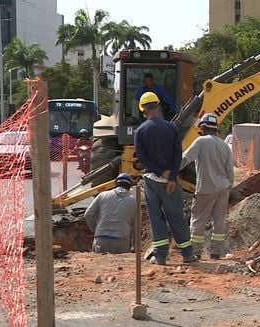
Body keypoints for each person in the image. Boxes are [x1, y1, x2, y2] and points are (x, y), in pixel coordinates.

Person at [134, 91, 196, 265]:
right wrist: (172, 176)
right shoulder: (172, 128)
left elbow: (142, 156)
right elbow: (178, 154)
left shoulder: (140, 131)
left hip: (152, 180)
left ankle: (160, 256)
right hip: (171, 182)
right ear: (158, 106)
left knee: (155, 217)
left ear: (143, 110)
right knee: (176, 216)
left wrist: (160, 172)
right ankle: (188, 254)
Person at [180, 113, 234, 260]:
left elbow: (186, 158)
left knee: (198, 219)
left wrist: (170, 170)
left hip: (206, 187)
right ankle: (216, 253)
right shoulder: (225, 146)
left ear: (202, 128)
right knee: (219, 221)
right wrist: (229, 185)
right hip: (223, 187)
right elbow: (230, 171)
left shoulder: (200, 142)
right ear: (216, 129)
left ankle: (195, 252)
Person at [84, 173, 137, 254]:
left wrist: (96, 230)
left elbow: (88, 214)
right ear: (129, 186)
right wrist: (135, 246)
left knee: (99, 266)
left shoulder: (102, 195)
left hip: (101, 241)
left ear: (116, 183)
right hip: (121, 242)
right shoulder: (134, 200)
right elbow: (136, 226)